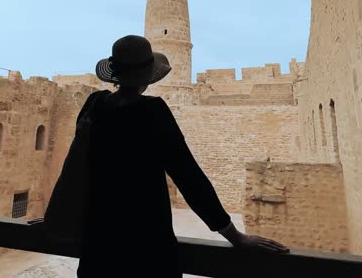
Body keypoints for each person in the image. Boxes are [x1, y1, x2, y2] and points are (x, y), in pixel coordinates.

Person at [77, 35, 288, 277]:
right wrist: (234, 235)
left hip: (99, 245)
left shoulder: (94, 105)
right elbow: (189, 177)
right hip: (146, 247)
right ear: (148, 73)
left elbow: (75, 167)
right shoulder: (152, 111)